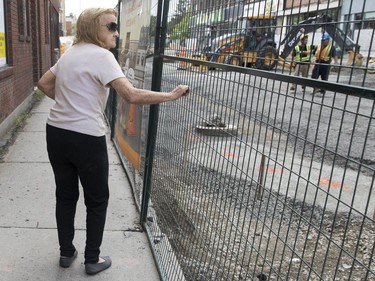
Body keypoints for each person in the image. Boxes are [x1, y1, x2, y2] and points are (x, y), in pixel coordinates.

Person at [37, 7, 189, 275]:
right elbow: (131, 95)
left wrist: (68, 105)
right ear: (94, 28)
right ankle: (92, 259)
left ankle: (66, 252)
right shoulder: (102, 56)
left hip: (56, 132)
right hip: (86, 138)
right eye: (111, 27)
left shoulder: (70, 54)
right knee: (97, 199)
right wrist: (170, 96)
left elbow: (44, 83)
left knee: (66, 194)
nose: (117, 33)